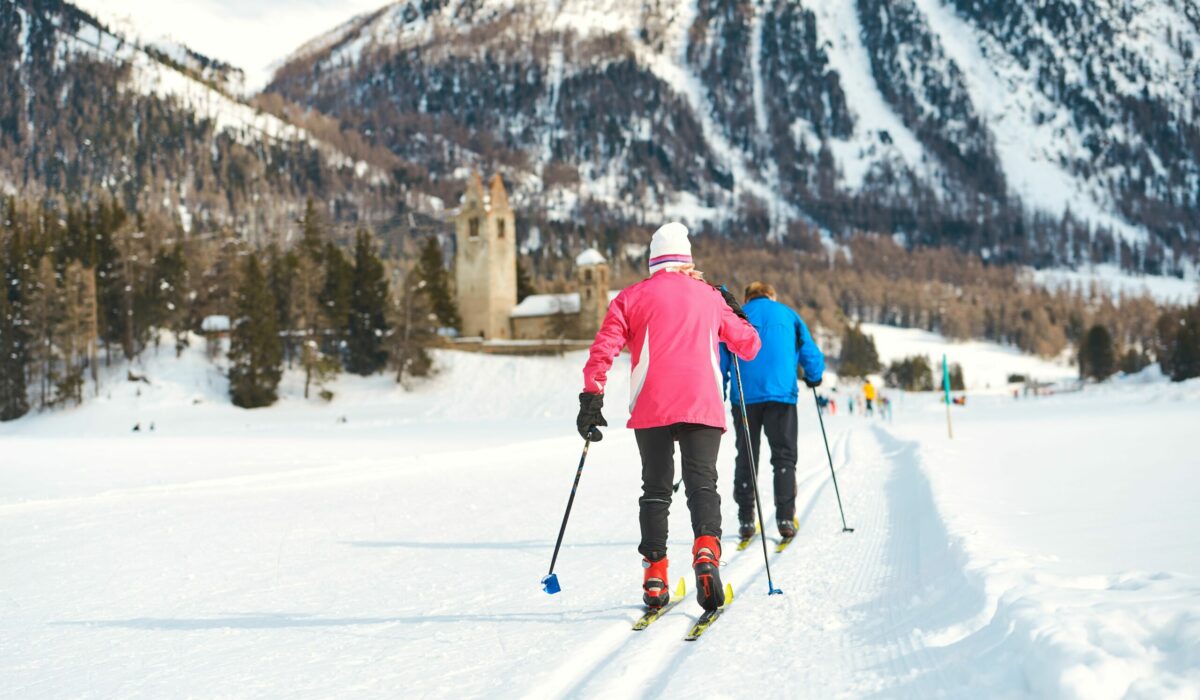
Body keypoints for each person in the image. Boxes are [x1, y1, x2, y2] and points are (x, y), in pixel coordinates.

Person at [577, 222, 761, 612]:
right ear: (688, 259)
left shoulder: (629, 298)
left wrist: (591, 398)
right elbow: (749, 346)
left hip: (652, 405)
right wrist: (731, 306)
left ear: (652, 261)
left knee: (656, 490)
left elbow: (603, 350)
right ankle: (707, 554)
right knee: (702, 485)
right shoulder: (710, 296)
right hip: (701, 403)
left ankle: (655, 575)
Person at [719, 282, 825, 541]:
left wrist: (719, 389)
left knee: (746, 455)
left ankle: (746, 520)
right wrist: (814, 376)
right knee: (784, 457)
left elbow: (721, 356)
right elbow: (810, 351)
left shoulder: (736, 315)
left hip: (744, 398)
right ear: (771, 295)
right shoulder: (789, 314)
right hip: (781, 395)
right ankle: (786, 518)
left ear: (747, 297)